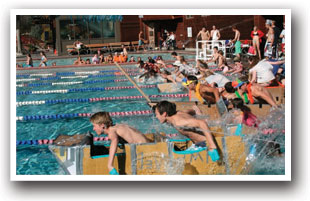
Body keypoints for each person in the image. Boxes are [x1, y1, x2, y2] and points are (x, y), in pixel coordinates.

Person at [153, 101, 220, 162]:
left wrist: (212, 146)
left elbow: (202, 123)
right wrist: (197, 112)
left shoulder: (178, 122)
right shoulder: (178, 113)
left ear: (164, 114)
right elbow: (190, 111)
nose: (156, 116)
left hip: (204, 144)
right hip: (198, 144)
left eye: (157, 114)